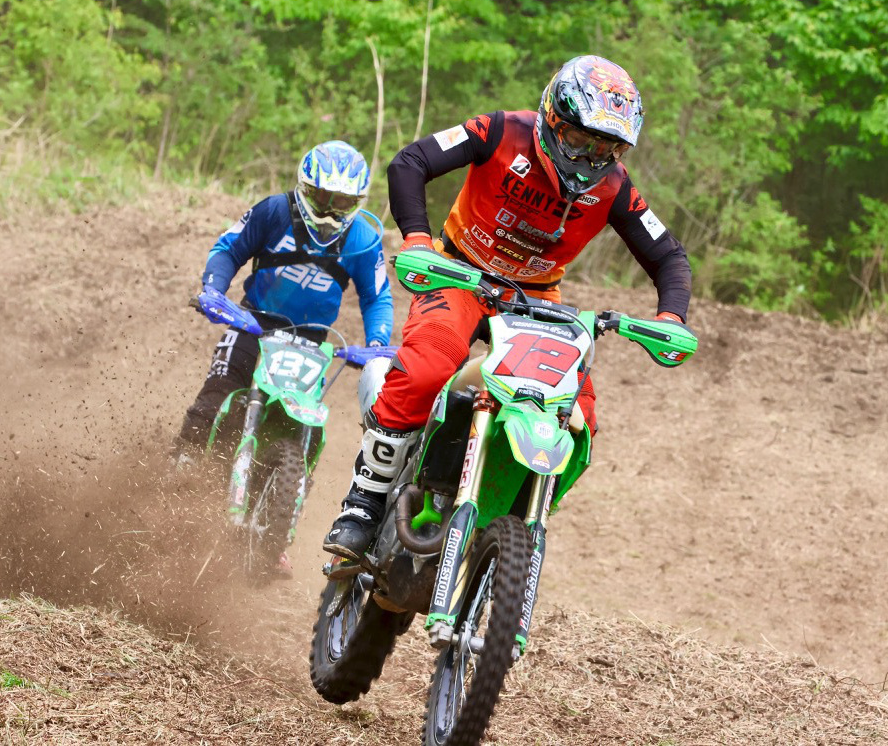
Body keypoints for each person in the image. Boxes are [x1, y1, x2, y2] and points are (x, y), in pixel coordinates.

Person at [323, 55, 692, 558]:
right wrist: (418, 239)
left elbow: (668, 255)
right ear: (553, 118)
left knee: (576, 414)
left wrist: (671, 318)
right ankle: (363, 503)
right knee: (430, 366)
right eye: (580, 140)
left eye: (606, 148)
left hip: (535, 298)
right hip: (460, 272)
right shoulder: (500, 131)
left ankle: (515, 512)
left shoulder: (614, 187)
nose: (590, 159)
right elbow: (410, 162)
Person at [177, 141, 393, 569]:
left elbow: (377, 296)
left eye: (342, 202)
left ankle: (277, 531)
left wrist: (376, 344)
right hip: (254, 322)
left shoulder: (363, 238)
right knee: (221, 386)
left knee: (304, 424)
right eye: (323, 198)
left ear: (356, 203)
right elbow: (229, 249)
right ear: (305, 189)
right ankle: (180, 464)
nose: (329, 212)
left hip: (312, 341)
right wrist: (214, 291)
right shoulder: (274, 212)